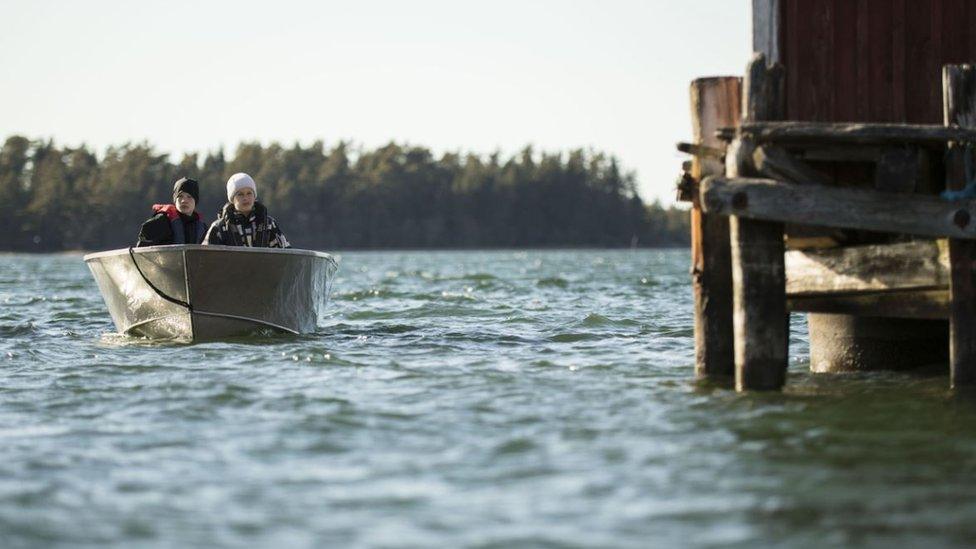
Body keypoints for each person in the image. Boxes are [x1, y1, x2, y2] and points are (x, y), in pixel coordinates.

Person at [203, 173, 290, 248]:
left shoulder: (269, 224)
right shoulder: (219, 227)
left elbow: (285, 253)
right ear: (232, 199)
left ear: (254, 196)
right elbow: (206, 258)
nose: (245, 198)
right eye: (240, 194)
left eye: (249, 193)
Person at [135, 177, 206, 247]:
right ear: (175, 199)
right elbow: (141, 252)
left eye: (189, 196)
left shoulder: (203, 228)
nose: (184, 201)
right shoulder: (161, 222)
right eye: (180, 196)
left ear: (195, 200)